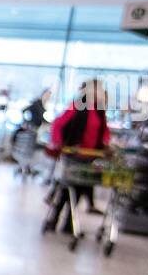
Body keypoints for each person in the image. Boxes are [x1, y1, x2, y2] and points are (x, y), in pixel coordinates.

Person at [42, 79, 111, 232]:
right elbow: (58, 124)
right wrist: (59, 143)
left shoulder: (100, 111)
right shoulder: (77, 106)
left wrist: (105, 143)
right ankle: (55, 219)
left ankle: (68, 222)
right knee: (67, 188)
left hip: (89, 156)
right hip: (73, 154)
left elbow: (104, 131)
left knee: (79, 188)